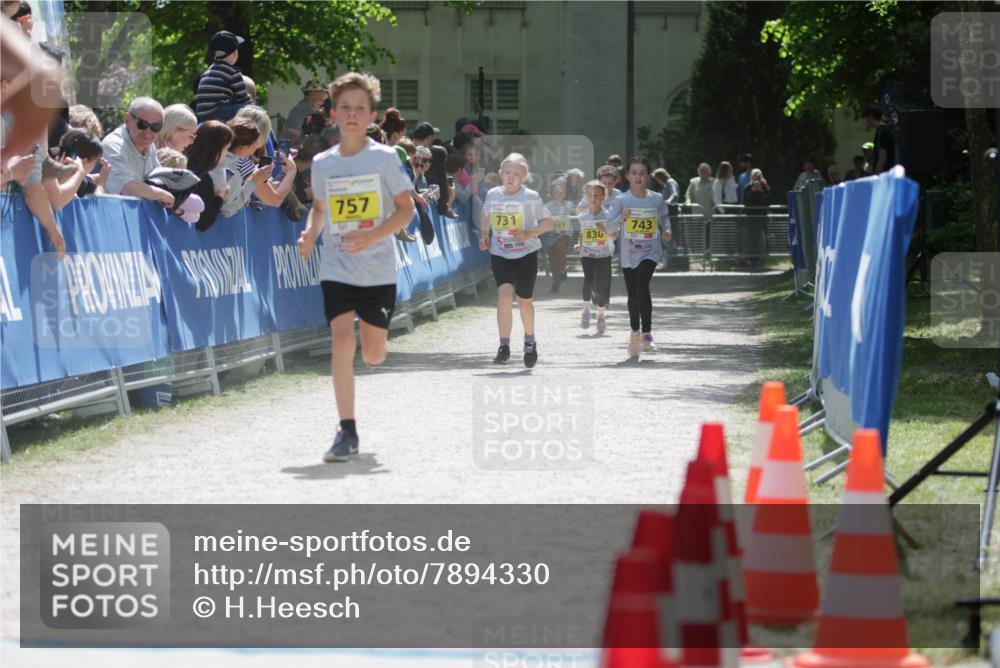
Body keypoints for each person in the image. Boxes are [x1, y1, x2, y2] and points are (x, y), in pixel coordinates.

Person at [296, 72, 415, 463]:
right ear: (332, 112)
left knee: (374, 354)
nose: (351, 114)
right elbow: (319, 210)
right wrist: (311, 235)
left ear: (372, 115)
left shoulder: (384, 158)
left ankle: (376, 342)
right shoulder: (323, 163)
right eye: (344, 107)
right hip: (337, 265)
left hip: (378, 270)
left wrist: (373, 235)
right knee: (342, 338)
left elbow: (405, 210)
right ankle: (346, 430)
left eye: (359, 108)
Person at [479, 152, 554, 367]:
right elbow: (486, 216)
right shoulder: (493, 194)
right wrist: (485, 235)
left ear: (524, 177)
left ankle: (530, 341)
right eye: (507, 173)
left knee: (524, 301)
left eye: (516, 174)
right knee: (503, 295)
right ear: (501, 174)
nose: (511, 177)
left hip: (526, 254)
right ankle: (504, 346)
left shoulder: (530, 197)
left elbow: (549, 222)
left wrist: (530, 233)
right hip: (500, 253)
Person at [607, 156, 671, 357]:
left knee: (642, 285)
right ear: (626, 176)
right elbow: (608, 227)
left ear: (648, 176)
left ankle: (647, 334)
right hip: (628, 252)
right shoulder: (621, 200)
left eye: (642, 173)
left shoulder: (657, 199)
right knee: (633, 294)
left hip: (650, 251)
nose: (638, 177)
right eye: (634, 173)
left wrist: (667, 230)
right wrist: (621, 218)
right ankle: (635, 331)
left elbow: (664, 218)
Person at [101, 97, 173, 206]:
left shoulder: (149, 146)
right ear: (127, 119)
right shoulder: (113, 145)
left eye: (155, 127)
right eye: (142, 124)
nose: (148, 132)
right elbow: (128, 188)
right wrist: (162, 194)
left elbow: (158, 180)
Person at [575, 180, 618, 335]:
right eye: (590, 195)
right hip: (587, 254)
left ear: (603, 197)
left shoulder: (608, 215)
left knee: (601, 287)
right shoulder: (583, 216)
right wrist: (578, 244)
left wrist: (604, 231)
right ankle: (586, 311)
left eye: (597, 195)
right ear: (585, 197)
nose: (593, 198)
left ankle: (601, 315)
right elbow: (583, 233)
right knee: (588, 281)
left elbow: (614, 236)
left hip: (603, 255)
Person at [183, 120, 233, 231]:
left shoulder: (183, 165)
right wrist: (219, 196)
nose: (226, 154)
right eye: (226, 149)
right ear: (216, 149)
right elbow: (203, 223)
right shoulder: (202, 179)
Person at [195, 30, 250, 123]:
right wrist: (251, 104)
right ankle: (271, 138)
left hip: (202, 116)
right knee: (256, 112)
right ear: (235, 53)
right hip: (218, 112)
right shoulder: (232, 72)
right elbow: (243, 99)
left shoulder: (208, 71)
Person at [540, 177, 574, 293]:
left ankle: (563, 268)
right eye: (556, 193)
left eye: (561, 192)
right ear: (551, 194)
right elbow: (541, 218)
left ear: (565, 194)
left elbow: (580, 212)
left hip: (565, 233)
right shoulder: (547, 207)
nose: (558, 195)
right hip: (551, 234)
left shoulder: (569, 205)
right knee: (553, 258)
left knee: (560, 246)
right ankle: (556, 279)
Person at [56, 129, 109, 198]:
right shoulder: (70, 194)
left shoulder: (47, 173)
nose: (94, 167)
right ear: (83, 161)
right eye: (95, 162)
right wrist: (100, 184)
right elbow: (97, 205)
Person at [741, 168, 771, 269]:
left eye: (758, 177)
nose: (756, 180)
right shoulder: (747, 188)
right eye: (754, 177)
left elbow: (767, 201)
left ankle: (762, 260)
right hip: (751, 217)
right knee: (752, 239)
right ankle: (753, 260)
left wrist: (761, 191)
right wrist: (753, 192)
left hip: (762, 217)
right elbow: (746, 202)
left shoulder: (765, 187)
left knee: (762, 239)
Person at [863, 106, 895, 174]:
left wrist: (877, 175)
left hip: (884, 174)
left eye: (866, 118)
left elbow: (882, 158)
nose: (866, 121)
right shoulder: (884, 130)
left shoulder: (881, 132)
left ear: (871, 117)